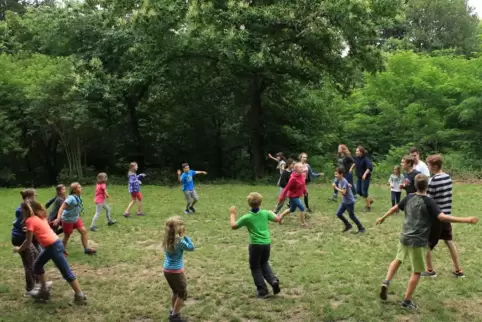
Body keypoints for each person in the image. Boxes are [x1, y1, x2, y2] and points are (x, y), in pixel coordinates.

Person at [376, 174, 478, 309]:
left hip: (404, 236)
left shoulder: (409, 197)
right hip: (418, 241)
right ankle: (407, 301)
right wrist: (466, 220)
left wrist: (383, 217)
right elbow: (442, 217)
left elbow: (395, 208)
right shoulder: (428, 201)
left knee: (397, 259)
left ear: (415, 185)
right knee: (417, 272)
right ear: (427, 186)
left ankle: (386, 281)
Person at [13, 198, 87, 304]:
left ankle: (80, 296)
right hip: (52, 245)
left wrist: (18, 249)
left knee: (66, 272)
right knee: (37, 265)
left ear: (25, 211)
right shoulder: (41, 217)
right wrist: (30, 230)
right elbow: (41, 229)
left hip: (53, 247)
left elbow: (28, 242)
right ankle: (44, 292)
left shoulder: (29, 220)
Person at [230, 193, 281, 298]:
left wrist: (232, 214)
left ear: (249, 204)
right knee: (264, 263)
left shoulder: (247, 217)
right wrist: (272, 213)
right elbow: (277, 219)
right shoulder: (266, 213)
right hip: (267, 243)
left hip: (255, 245)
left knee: (255, 267)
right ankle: (273, 281)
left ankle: (262, 291)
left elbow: (234, 226)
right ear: (260, 202)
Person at [422, 155, 464, 278]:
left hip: (436, 218)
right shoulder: (447, 177)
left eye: (429, 165)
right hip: (446, 216)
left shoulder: (433, 180)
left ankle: (430, 271)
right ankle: (458, 270)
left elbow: (428, 201)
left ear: (435, 166)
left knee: (427, 244)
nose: (428, 167)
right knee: (449, 241)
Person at [12, 189, 53, 297]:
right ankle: (30, 289)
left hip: (25, 238)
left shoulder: (28, 208)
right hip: (20, 238)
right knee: (29, 264)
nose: (36, 197)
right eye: (35, 195)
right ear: (29, 197)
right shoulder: (22, 209)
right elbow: (24, 225)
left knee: (36, 259)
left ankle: (39, 284)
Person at [162, 216, 195, 322]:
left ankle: (173, 311)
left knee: (175, 292)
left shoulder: (166, 238)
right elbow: (191, 247)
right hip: (176, 272)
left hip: (167, 270)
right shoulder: (179, 241)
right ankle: (174, 316)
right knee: (182, 293)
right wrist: (186, 237)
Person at [53, 182, 96, 256]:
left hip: (76, 218)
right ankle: (61, 252)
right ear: (74, 190)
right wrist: (58, 218)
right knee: (67, 236)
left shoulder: (78, 196)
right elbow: (61, 208)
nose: (81, 188)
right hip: (68, 220)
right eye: (79, 187)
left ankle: (86, 249)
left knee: (83, 231)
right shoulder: (71, 198)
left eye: (80, 187)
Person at [332, 167, 365, 233]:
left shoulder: (343, 181)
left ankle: (361, 228)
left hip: (349, 202)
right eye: (335, 174)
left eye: (337, 174)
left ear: (341, 174)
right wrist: (348, 184)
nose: (336, 175)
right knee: (338, 214)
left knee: (352, 216)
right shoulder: (340, 180)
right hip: (344, 201)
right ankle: (348, 225)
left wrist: (336, 187)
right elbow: (344, 185)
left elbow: (343, 192)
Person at [278, 162, 308, 227]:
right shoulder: (293, 178)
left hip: (297, 195)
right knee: (302, 208)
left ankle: (280, 216)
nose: (302, 168)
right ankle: (303, 223)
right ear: (296, 169)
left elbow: (303, 185)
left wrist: (305, 191)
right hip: (293, 196)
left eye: (302, 167)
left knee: (292, 209)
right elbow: (286, 188)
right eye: (300, 167)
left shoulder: (302, 175)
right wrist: (281, 197)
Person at [354, 146, 374, 212]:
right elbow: (355, 163)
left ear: (361, 152)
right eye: (356, 151)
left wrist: (365, 174)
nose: (356, 152)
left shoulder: (365, 159)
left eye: (357, 151)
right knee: (358, 191)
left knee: (364, 192)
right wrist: (351, 168)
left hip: (365, 178)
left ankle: (368, 207)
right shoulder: (357, 158)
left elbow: (369, 168)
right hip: (359, 177)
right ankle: (369, 200)